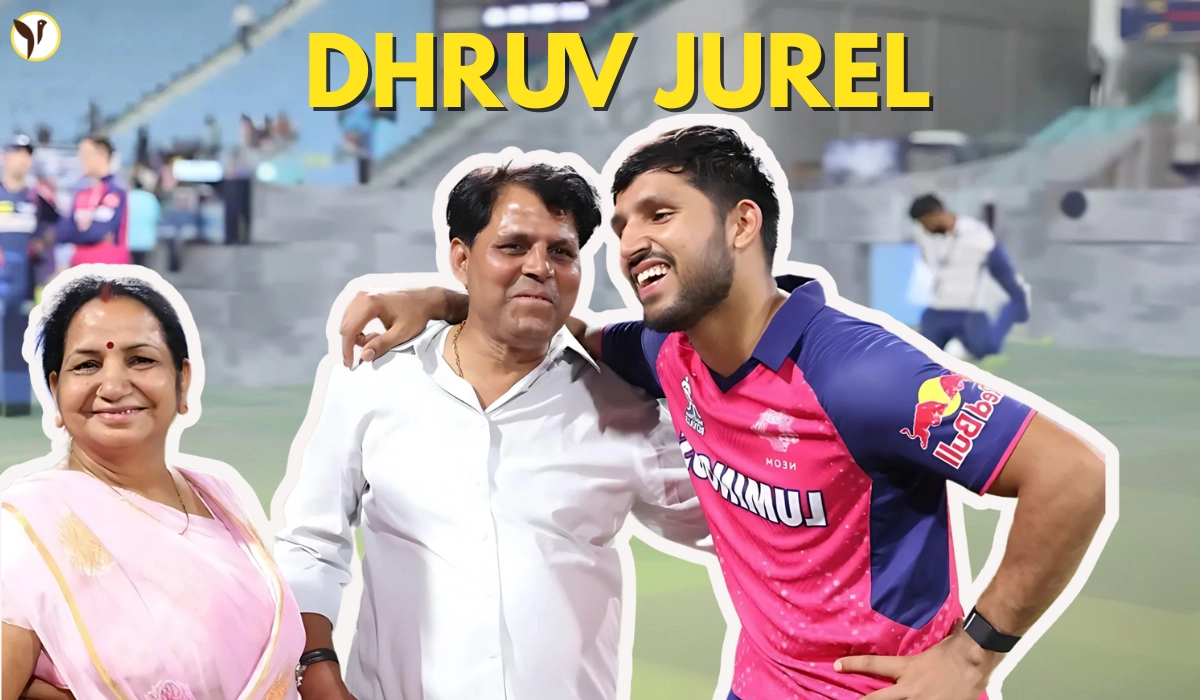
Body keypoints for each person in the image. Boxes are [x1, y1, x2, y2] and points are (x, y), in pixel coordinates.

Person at [341, 125, 1109, 700]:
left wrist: (971, 656)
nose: (631, 242)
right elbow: (560, 325)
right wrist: (445, 299)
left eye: (659, 214)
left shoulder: (858, 374)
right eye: (622, 227)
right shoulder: (666, 352)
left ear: (742, 224)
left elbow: (1071, 475)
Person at [273, 162, 710, 700]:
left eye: (561, 252)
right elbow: (312, 543)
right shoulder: (378, 379)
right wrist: (315, 661)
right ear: (461, 258)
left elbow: (736, 524)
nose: (540, 267)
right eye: (513, 246)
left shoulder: (621, 406)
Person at [1, 274, 305, 700]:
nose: (113, 386)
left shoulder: (220, 499)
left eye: (141, 360)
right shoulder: (26, 531)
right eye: (87, 365)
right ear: (55, 389)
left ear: (183, 380)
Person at [908, 194, 1031, 362]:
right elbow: (929, 260)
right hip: (938, 307)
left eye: (925, 222)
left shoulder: (976, 233)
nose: (924, 228)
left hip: (968, 310)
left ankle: (1010, 311)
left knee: (987, 349)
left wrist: (1016, 295)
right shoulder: (924, 235)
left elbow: (1001, 268)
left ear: (937, 214)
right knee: (920, 357)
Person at [1, 135, 59, 417]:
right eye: (17, 152)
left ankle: (16, 402)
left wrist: (41, 247)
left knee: (19, 341)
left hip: (24, 283)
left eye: (27, 154)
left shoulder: (36, 197)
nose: (22, 159)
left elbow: (55, 227)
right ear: (4, 157)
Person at [55, 135, 131, 268]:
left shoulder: (114, 192)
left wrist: (78, 231)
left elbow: (99, 231)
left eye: (86, 154)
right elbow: (62, 232)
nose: (81, 160)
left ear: (102, 154)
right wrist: (84, 231)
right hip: (80, 271)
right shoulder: (81, 194)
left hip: (109, 271)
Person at [126, 177, 161, 267]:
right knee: (144, 268)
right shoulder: (150, 198)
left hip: (129, 241)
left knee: (130, 269)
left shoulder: (127, 197)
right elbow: (158, 217)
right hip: (147, 241)